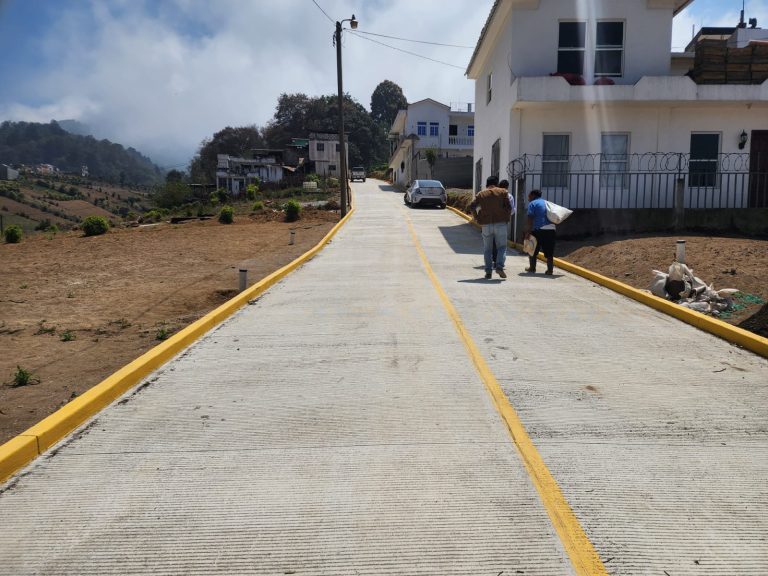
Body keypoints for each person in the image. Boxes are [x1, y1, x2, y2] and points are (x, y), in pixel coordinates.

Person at [469, 175, 512, 279]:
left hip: (486, 224)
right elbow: (509, 207)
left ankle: (488, 272)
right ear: (497, 184)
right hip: (500, 223)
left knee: (487, 249)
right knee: (502, 247)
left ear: (486, 184)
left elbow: (471, 206)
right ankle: (499, 267)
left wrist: (477, 218)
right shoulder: (503, 192)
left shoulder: (481, 194)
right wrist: (506, 217)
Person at [524, 189, 556, 275]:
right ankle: (550, 270)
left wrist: (528, 232)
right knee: (549, 251)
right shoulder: (547, 202)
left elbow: (530, 218)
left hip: (538, 229)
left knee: (532, 248)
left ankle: (532, 268)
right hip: (551, 229)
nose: (528, 197)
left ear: (533, 195)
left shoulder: (532, 203)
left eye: (529, 196)